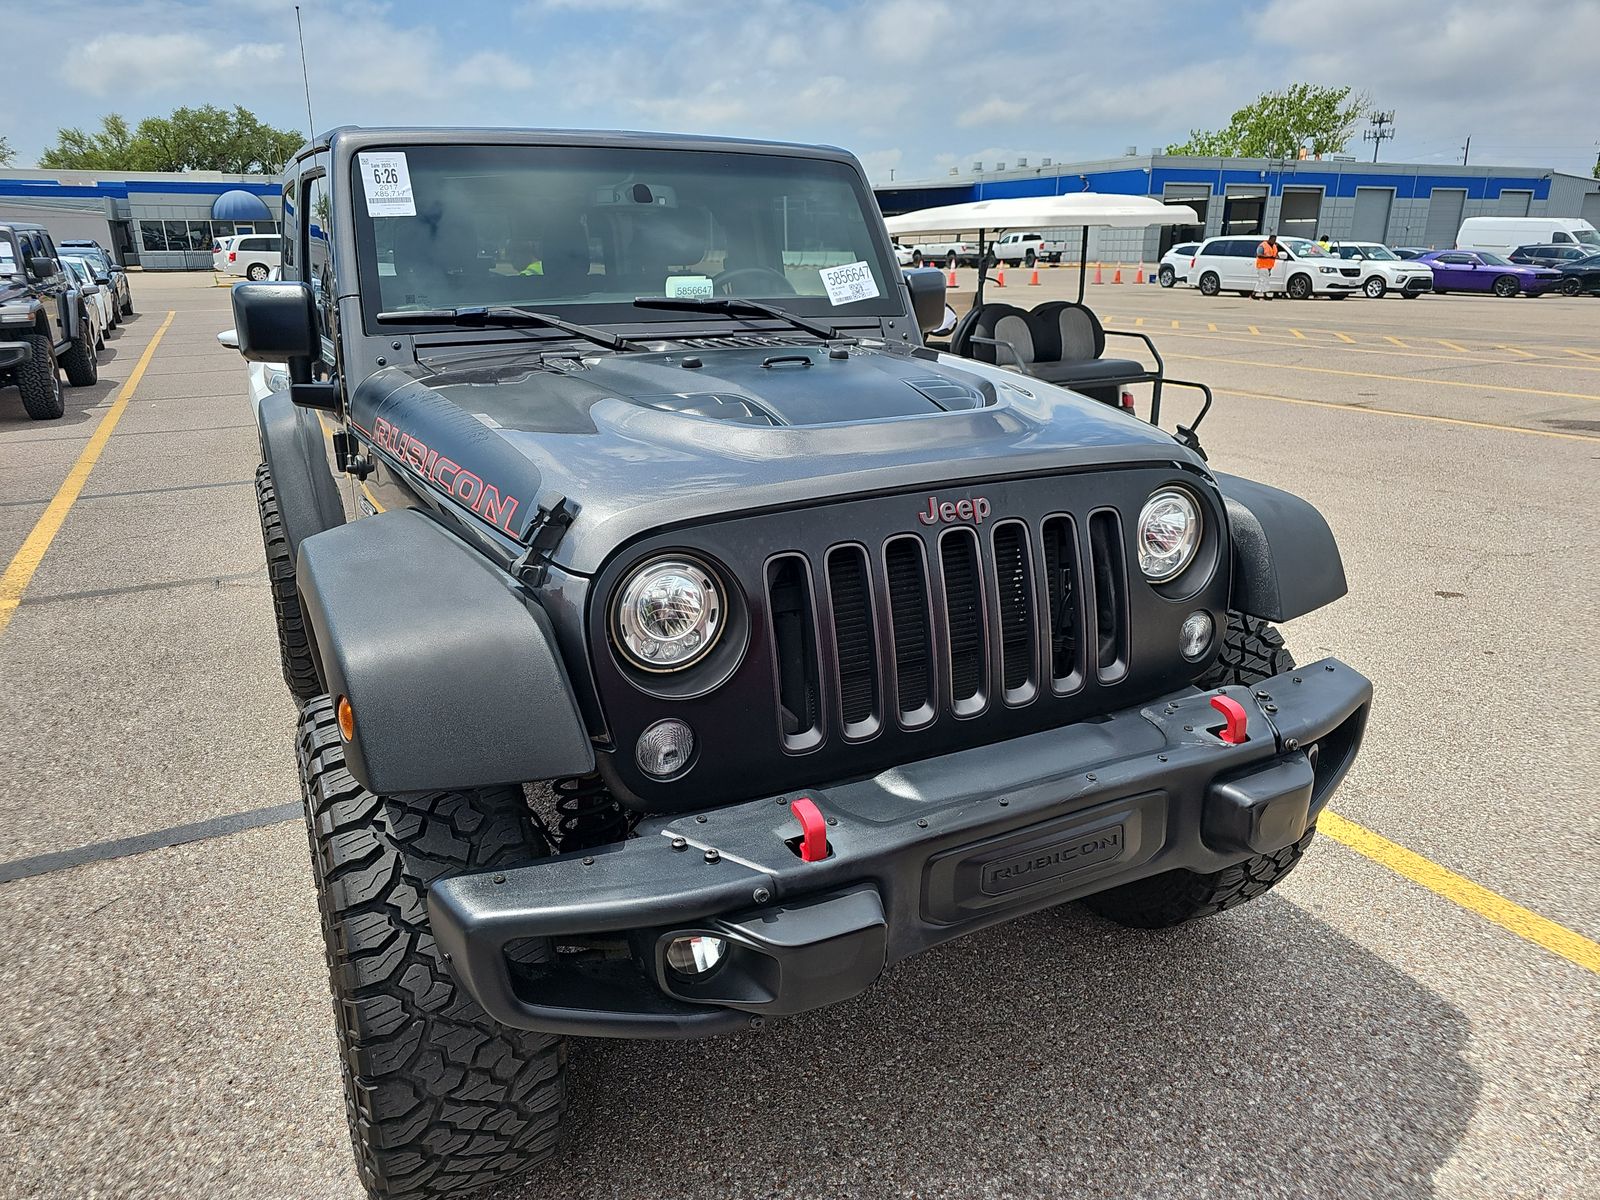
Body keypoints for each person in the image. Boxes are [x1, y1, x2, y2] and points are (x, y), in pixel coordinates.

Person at [1254, 233, 1282, 300]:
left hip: (1269, 266)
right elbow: (1259, 255)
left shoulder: (1274, 246)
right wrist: (1268, 257)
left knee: (1261, 280)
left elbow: (1275, 254)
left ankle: (1253, 294)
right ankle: (1265, 295)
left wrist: (1276, 257)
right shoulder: (1263, 245)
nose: (1274, 241)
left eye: (1275, 240)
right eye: (1273, 240)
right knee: (1265, 280)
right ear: (1269, 239)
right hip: (1262, 265)